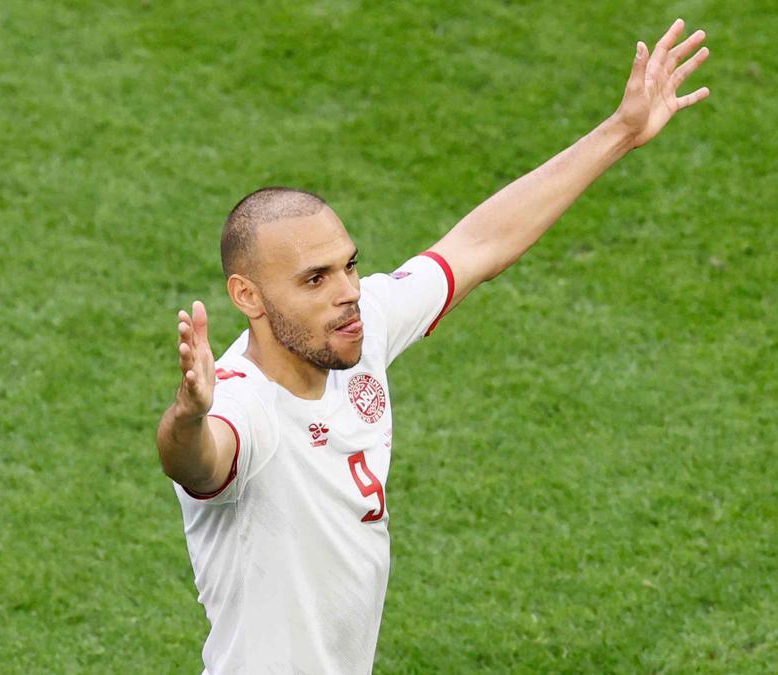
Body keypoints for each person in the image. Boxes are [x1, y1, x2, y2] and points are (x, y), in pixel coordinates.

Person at [156, 19, 710, 674]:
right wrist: (187, 416)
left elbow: (476, 245)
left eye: (349, 266)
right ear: (248, 296)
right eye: (315, 278)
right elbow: (197, 459)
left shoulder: (357, 331)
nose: (347, 292)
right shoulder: (245, 405)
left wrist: (620, 130)